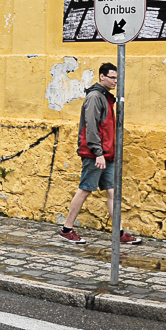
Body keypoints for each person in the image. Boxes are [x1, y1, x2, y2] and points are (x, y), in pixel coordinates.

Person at [58, 63, 141, 245]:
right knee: (85, 189)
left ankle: (118, 233)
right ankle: (66, 229)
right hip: (95, 154)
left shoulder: (105, 97)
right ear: (102, 77)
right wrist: (98, 153)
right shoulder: (95, 97)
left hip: (106, 154)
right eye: (112, 77)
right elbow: (91, 128)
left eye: (117, 78)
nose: (115, 81)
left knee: (112, 192)